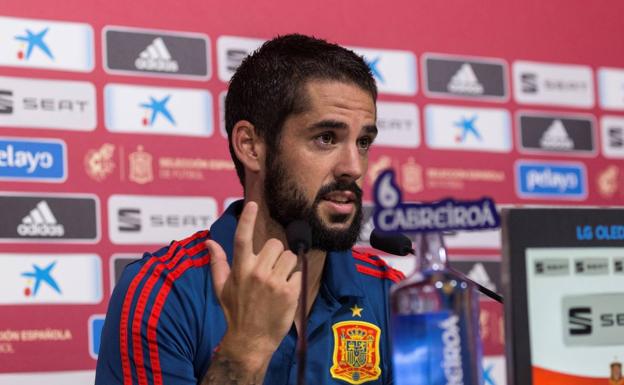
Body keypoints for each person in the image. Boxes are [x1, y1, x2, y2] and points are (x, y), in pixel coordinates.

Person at [95, 33, 404, 385]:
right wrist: (246, 348)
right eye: (326, 138)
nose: (354, 167)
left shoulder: (391, 294)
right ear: (251, 146)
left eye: (363, 142)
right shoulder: (162, 292)